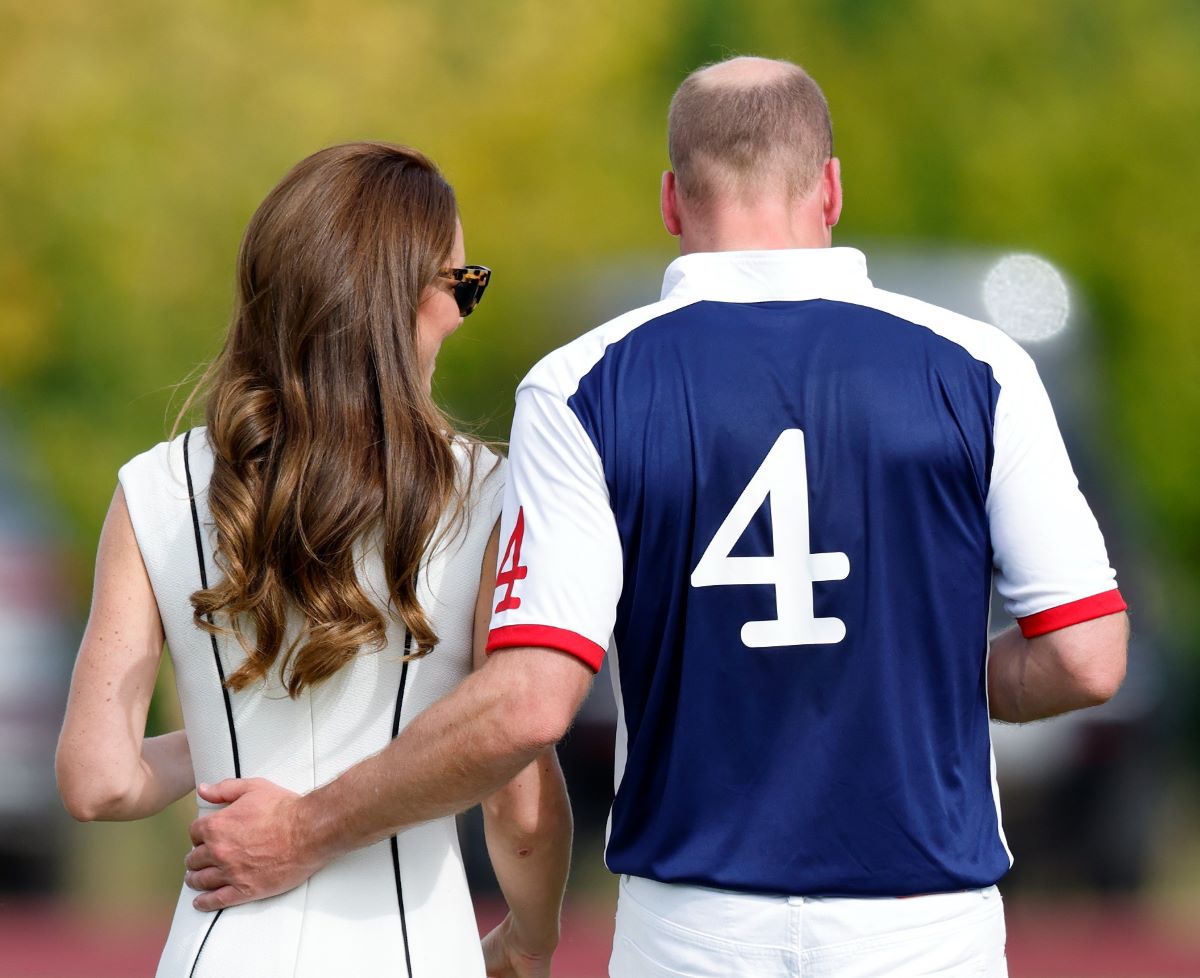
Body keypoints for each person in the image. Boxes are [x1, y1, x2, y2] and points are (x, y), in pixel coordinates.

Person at [182, 59, 1129, 977]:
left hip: (693, 926)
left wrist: (305, 830)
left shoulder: (581, 385)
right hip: (926, 924)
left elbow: (529, 702)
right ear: (831, 190)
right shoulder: (982, 364)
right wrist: (912, 671)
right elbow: (1088, 656)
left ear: (673, 201)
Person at [54, 142, 572, 978]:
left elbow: (97, 780)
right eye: (464, 285)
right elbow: (519, 804)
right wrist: (532, 940)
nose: (463, 311)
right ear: (406, 301)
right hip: (413, 949)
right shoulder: (494, 493)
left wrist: (235, 751)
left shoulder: (153, 486)